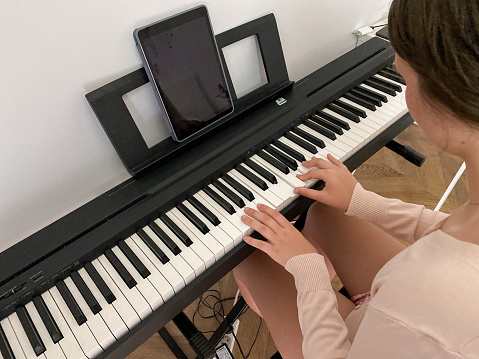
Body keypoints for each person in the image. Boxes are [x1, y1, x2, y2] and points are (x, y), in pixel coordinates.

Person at [233, 0, 479, 357]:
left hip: (366, 343)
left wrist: (310, 271)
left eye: (403, 77)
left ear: (447, 96)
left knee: (252, 256)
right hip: (399, 321)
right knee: (326, 212)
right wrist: (361, 201)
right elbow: (455, 230)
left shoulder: (434, 301)